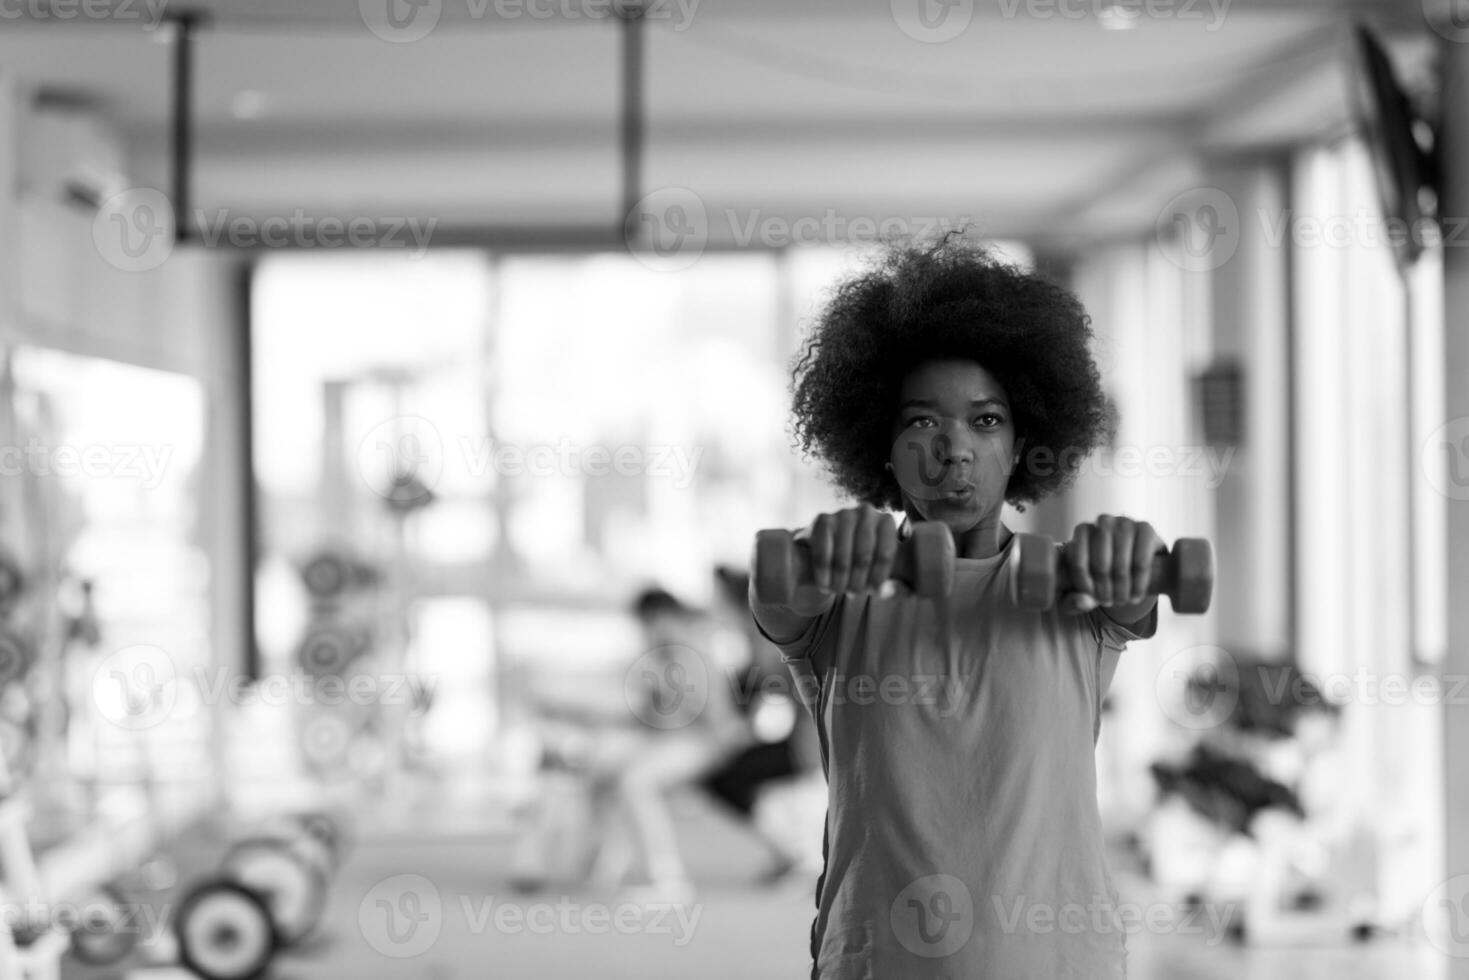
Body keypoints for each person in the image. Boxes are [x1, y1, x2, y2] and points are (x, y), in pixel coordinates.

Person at [749, 233, 1171, 978]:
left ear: (1023, 442)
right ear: (879, 444)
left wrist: (1129, 552)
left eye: (984, 421)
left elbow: (1134, 592)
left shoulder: (1080, 587)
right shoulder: (835, 594)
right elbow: (778, 590)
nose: (953, 450)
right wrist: (824, 554)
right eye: (920, 422)